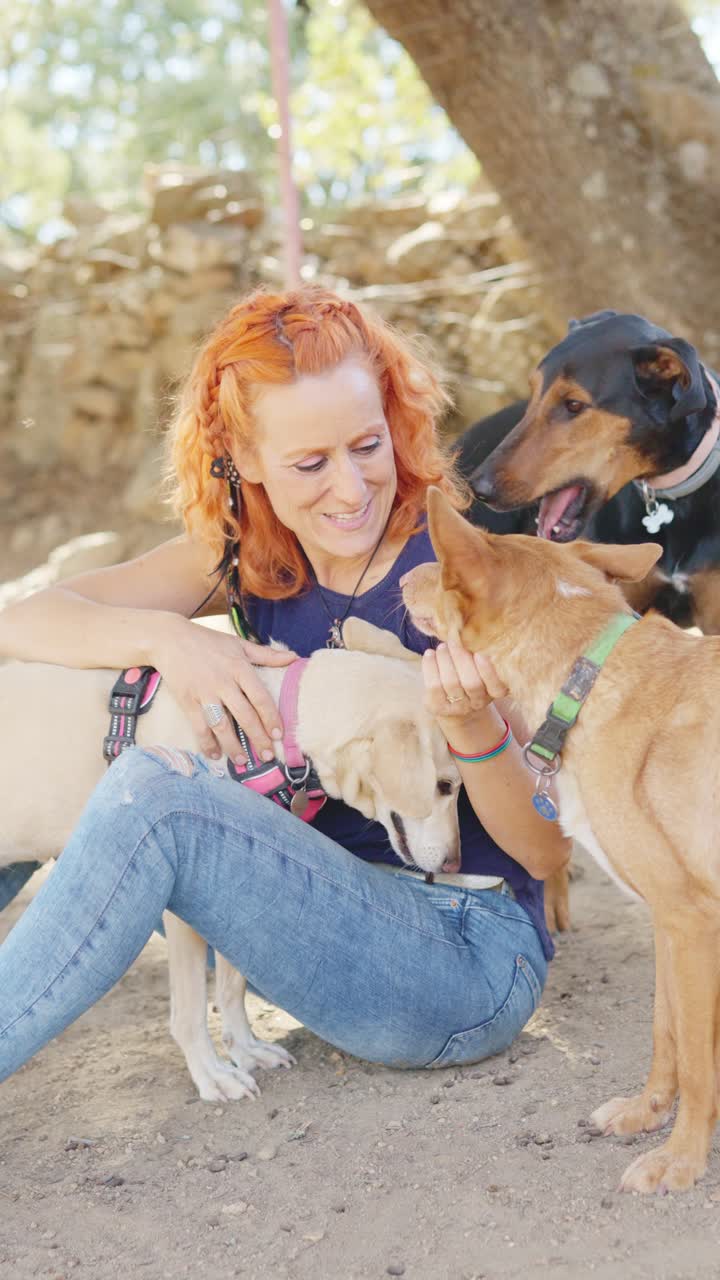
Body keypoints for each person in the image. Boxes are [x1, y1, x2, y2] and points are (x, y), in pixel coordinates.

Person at [0, 284, 569, 1082]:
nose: (350, 487)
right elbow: (23, 623)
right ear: (245, 460)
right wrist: (169, 639)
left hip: (460, 958)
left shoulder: (451, 578)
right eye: (310, 463)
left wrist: (476, 729)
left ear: (397, 425)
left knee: (153, 796)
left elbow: (545, 850)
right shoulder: (250, 555)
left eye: (368, 446)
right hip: (302, 919)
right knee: (25, 758)